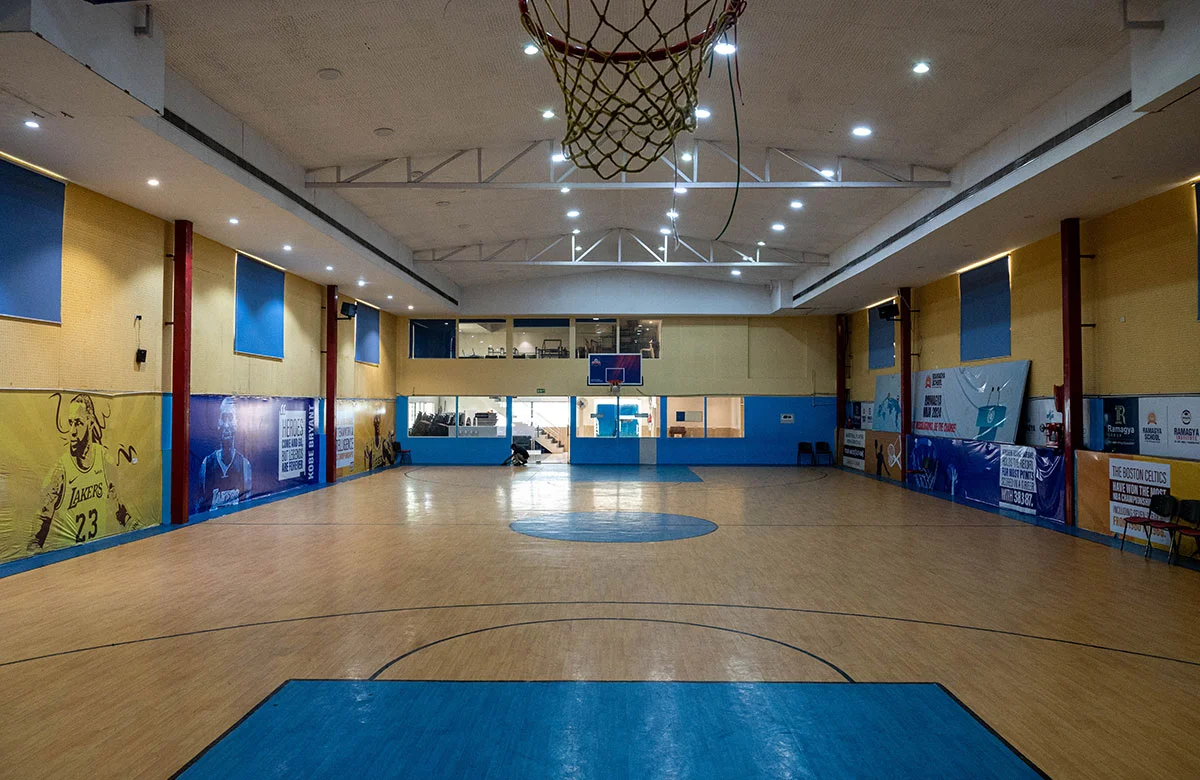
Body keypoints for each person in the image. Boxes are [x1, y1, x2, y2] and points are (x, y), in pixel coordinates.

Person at [30, 394, 129, 552]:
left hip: (99, 553)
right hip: (68, 559)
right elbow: (34, 541)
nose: (72, 432)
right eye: (70, 423)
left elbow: (122, 513)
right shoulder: (59, 473)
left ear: (90, 422)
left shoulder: (104, 460)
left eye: (78, 423)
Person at [197, 397, 252, 512]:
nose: (226, 425)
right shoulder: (206, 464)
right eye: (223, 418)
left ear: (237, 424)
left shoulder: (244, 465)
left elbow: (248, 502)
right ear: (218, 423)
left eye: (231, 418)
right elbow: (199, 503)